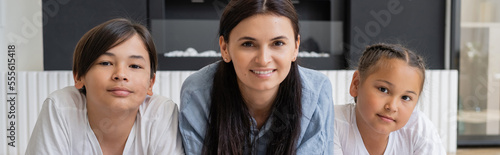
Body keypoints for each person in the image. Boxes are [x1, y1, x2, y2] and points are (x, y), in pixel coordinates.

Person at [179, 0, 334, 154]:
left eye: (278, 43)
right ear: (225, 48)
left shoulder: (316, 94)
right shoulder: (197, 94)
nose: (263, 59)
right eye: (248, 44)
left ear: (296, 47)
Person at [26, 18, 184, 155]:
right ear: (79, 76)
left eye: (135, 66)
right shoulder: (61, 107)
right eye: (106, 63)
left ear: (151, 82)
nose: (120, 74)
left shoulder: (161, 113)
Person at [334, 43, 446, 154]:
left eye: (406, 97)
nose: (392, 106)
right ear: (356, 84)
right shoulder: (332, 122)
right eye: (383, 89)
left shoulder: (419, 131)